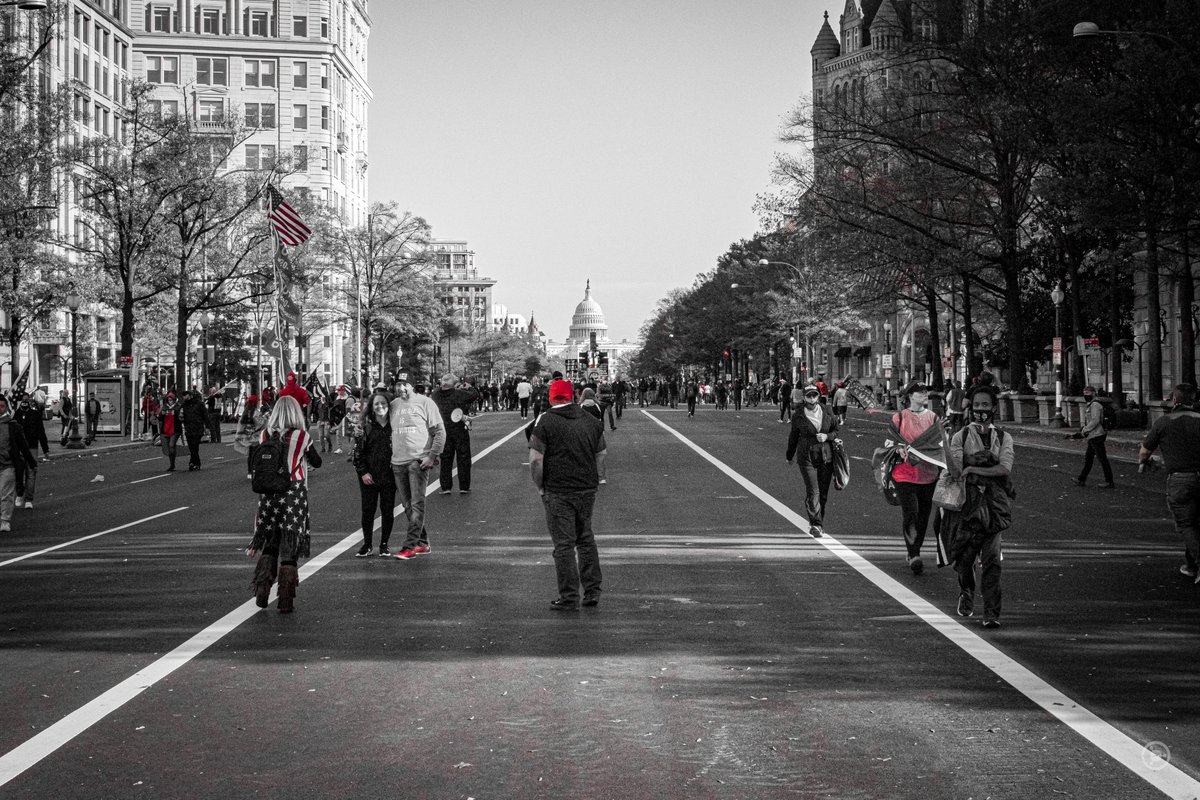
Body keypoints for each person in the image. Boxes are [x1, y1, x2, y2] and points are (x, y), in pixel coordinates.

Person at [529, 378, 607, 610]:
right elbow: (601, 453)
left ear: (552, 397)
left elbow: (536, 459)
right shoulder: (591, 421)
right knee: (586, 539)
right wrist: (597, 477)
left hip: (558, 489)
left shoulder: (545, 421)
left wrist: (540, 486)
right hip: (586, 487)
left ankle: (569, 596)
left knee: (563, 545)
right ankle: (592, 590)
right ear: (573, 396)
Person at [946, 383, 1014, 628]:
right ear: (970, 408)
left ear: (994, 407)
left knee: (992, 559)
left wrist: (973, 466)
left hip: (994, 506)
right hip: (967, 504)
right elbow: (955, 470)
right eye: (976, 405)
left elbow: (1004, 468)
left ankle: (991, 613)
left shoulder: (1004, 437)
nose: (981, 410)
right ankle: (966, 591)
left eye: (985, 405)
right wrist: (947, 446)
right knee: (964, 558)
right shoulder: (960, 436)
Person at [246, 396, 321, 613]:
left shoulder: (265, 434)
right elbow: (316, 461)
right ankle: (286, 599)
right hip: (293, 492)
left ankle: (262, 588)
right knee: (289, 544)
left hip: (269, 494)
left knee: (270, 541)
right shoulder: (302, 436)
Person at [1137, 384, 1200, 584]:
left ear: (1174, 401)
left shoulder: (1163, 422)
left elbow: (1145, 452)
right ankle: (1191, 565)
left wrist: (1144, 463)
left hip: (1180, 480)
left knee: (1187, 524)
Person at [389, 373, 446, 560]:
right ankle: (423, 543)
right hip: (398, 462)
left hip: (417, 461)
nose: (401, 388)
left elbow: (439, 431)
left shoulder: (426, 403)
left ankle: (410, 546)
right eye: (398, 385)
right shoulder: (393, 405)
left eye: (405, 384)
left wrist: (432, 456)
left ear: (412, 386)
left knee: (417, 504)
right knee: (407, 506)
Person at [890, 382, 943, 575]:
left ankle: (915, 548)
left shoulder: (934, 418)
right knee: (911, 514)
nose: (925, 394)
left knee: (923, 517)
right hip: (904, 475)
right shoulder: (899, 418)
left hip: (928, 475)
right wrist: (898, 449)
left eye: (926, 392)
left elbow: (941, 444)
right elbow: (889, 443)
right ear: (910, 396)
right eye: (920, 392)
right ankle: (914, 555)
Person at [785, 383, 840, 537]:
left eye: (814, 395)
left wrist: (827, 436)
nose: (812, 398)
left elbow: (836, 431)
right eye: (808, 395)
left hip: (825, 455)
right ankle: (816, 524)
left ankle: (818, 519)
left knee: (823, 493)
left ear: (818, 396)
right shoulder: (798, 415)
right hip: (806, 456)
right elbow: (793, 437)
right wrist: (789, 456)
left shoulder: (827, 410)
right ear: (804, 397)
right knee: (813, 491)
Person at [352, 390, 396, 557]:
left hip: (390, 475)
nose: (380, 406)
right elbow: (357, 453)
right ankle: (367, 544)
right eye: (376, 404)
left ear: (389, 405)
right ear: (371, 407)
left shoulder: (395, 426)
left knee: (387, 510)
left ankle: (384, 544)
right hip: (368, 475)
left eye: (383, 403)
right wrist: (363, 472)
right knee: (368, 510)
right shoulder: (365, 427)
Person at [432, 374, 479, 495]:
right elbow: (474, 395)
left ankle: (445, 486)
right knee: (463, 458)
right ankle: (464, 486)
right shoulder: (459, 394)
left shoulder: (436, 395)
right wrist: (469, 387)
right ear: (454, 384)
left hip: (443, 430)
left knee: (446, 459)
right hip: (459, 429)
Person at [0, 395, 37, 532]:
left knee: (6, 494)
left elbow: (23, 446)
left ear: (6, 408)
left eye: (2, 406)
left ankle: (5, 520)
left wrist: (32, 462)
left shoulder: (13, 426)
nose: (0, 409)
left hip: (7, 466)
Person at [1072, 386, 1115, 489]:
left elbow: (1095, 420)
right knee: (1089, 458)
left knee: (1102, 459)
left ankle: (1109, 481)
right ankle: (1081, 479)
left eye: (1087, 392)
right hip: (1093, 435)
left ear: (1093, 393)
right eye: (1084, 392)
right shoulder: (1092, 404)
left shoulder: (1095, 405)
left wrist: (1085, 430)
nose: (1085, 395)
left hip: (1097, 435)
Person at [179, 390, 209, 471]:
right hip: (188, 428)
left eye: (185, 395)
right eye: (183, 395)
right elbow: (181, 416)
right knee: (191, 446)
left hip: (198, 427)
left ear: (190, 395)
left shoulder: (199, 404)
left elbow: (205, 415)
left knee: (195, 444)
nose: (184, 397)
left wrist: (207, 427)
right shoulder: (184, 405)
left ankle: (194, 463)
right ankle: (194, 462)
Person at [158, 390, 181, 471]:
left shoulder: (178, 407)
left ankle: (172, 464)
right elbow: (160, 418)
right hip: (165, 429)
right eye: (168, 400)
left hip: (175, 430)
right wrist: (162, 414)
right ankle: (172, 464)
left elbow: (180, 418)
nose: (170, 402)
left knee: (171, 445)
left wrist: (176, 414)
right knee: (168, 448)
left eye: (171, 400)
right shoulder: (164, 407)